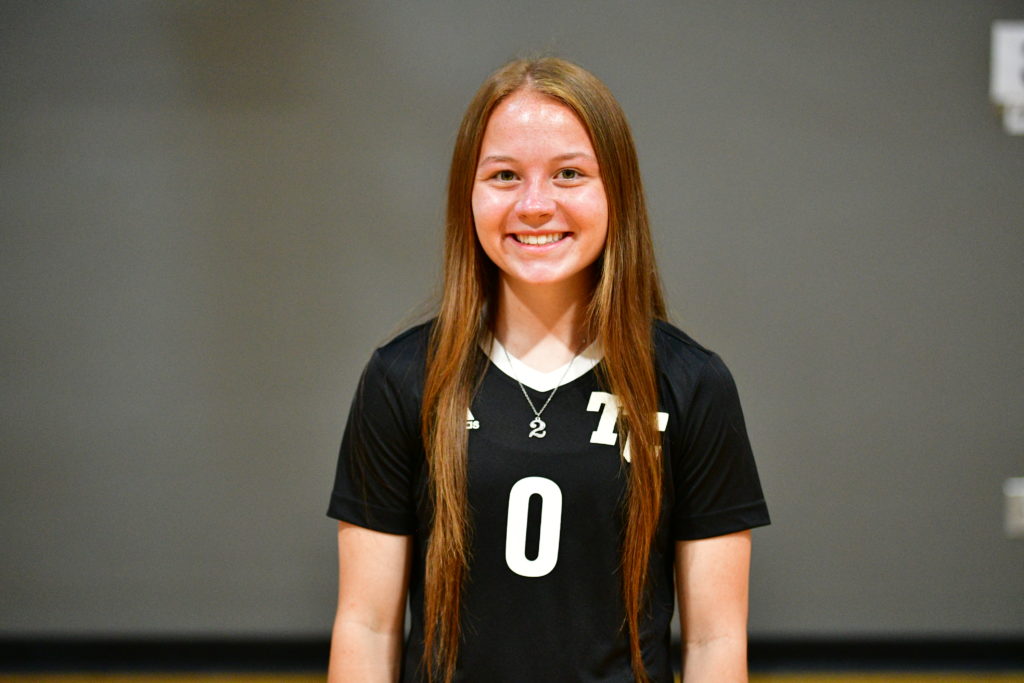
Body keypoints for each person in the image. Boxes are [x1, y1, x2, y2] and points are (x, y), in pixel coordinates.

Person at [326, 56, 770, 683]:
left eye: (569, 174)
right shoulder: (403, 379)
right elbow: (367, 628)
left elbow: (715, 639)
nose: (535, 205)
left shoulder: (691, 384)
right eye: (505, 175)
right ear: (468, 194)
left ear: (616, 191)